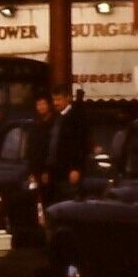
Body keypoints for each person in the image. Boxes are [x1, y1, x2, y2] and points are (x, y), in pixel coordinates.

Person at [45, 83, 89, 203]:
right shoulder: (56, 118)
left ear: (68, 98)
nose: (56, 103)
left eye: (59, 99)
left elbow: (81, 144)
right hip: (55, 170)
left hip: (69, 170)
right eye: (54, 99)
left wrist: (76, 168)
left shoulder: (76, 118)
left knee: (68, 204)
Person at [25, 93, 53, 227]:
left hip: (49, 169)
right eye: (38, 104)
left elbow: (51, 149)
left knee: (50, 198)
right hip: (36, 168)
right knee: (37, 198)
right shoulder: (35, 125)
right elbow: (31, 150)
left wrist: (47, 169)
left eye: (43, 104)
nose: (41, 107)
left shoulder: (54, 124)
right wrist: (31, 171)